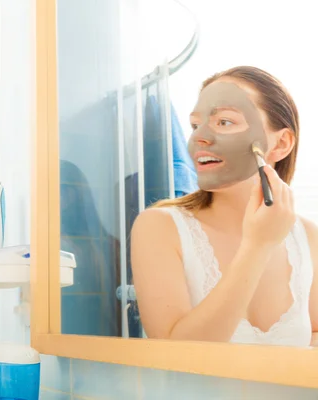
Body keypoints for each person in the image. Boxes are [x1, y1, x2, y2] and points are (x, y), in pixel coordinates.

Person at [131, 66, 318, 347]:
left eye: (225, 122)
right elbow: (174, 357)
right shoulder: (159, 227)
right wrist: (258, 246)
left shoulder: (308, 236)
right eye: (195, 125)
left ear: (280, 144)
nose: (198, 138)